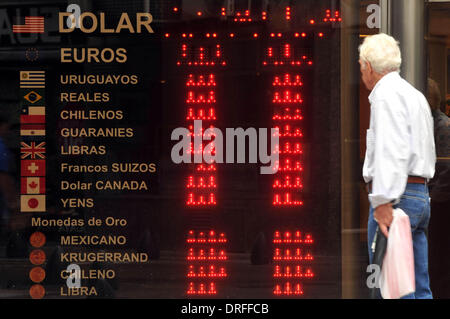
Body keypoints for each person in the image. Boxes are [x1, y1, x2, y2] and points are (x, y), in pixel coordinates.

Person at [359, 33, 436, 299]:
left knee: (391, 289)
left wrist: (382, 200)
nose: (361, 73)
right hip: (419, 196)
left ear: (368, 66)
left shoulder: (385, 95)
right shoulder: (414, 95)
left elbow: (390, 150)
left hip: (397, 199)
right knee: (417, 286)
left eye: (360, 67)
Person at [427, 78, 450, 298]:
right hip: (435, 199)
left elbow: (446, 167)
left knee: (438, 258)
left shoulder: (442, 126)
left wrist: (433, 197)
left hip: (442, 203)